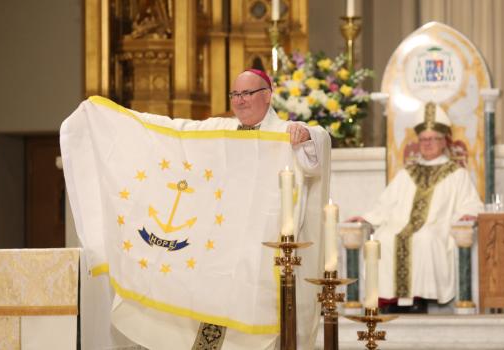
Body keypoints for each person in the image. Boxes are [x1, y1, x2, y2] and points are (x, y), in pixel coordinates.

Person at [70, 69, 330, 350]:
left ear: (267, 96)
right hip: (217, 248)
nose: (240, 101)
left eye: (247, 93)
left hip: (261, 251)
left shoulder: (285, 133)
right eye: (235, 94)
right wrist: (118, 119)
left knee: (254, 320)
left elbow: (316, 152)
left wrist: (307, 135)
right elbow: (174, 131)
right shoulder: (220, 131)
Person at [348, 102, 483, 313]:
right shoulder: (406, 173)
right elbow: (384, 205)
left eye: (432, 139)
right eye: (423, 140)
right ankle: (389, 300)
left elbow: (472, 204)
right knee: (384, 238)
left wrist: (467, 215)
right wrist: (366, 219)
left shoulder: (457, 174)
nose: (427, 144)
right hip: (401, 225)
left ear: (443, 141)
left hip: (436, 228)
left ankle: (419, 298)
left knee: (425, 238)